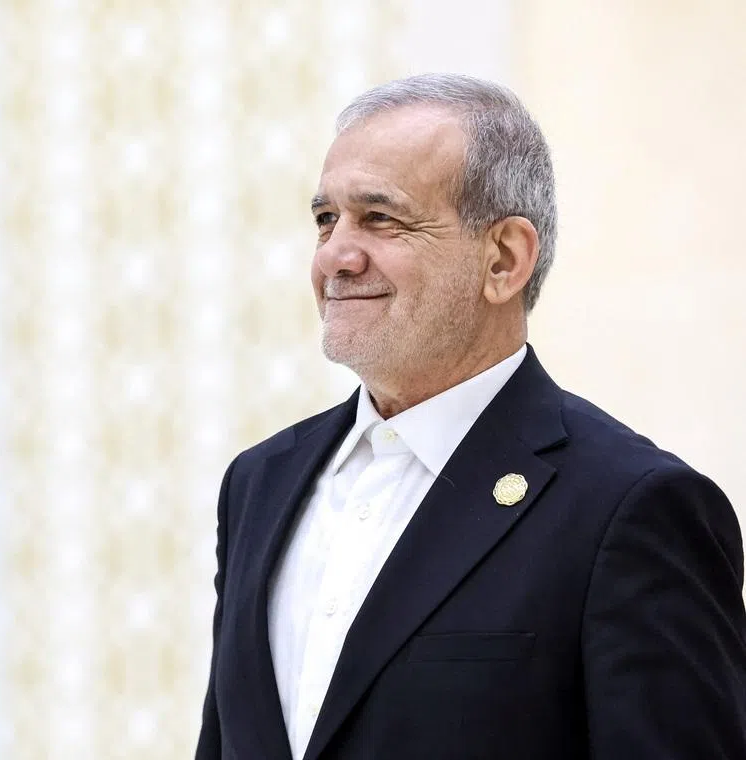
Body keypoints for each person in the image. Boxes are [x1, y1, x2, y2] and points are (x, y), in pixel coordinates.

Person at [194, 73, 746, 760]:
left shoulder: (629, 507)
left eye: (381, 218)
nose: (336, 255)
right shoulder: (259, 483)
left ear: (504, 258)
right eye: (326, 219)